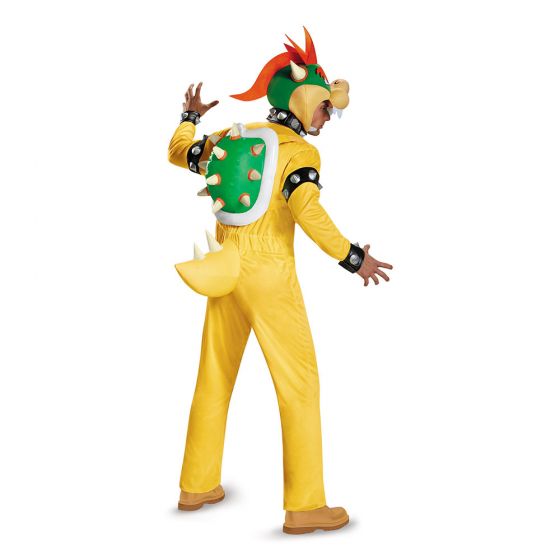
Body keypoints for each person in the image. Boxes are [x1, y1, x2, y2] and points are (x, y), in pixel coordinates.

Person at [167, 27, 393, 534]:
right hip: (268, 276)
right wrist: (354, 258)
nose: (327, 118)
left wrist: (189, 118)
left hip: (225, 267)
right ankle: (305, 504)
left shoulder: (232, 136)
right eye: (324, 108)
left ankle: (196, 484)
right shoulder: (300, 154)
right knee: (300, 384)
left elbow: (179, 152)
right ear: (303, 99)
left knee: (214, 377)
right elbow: (308, 211)